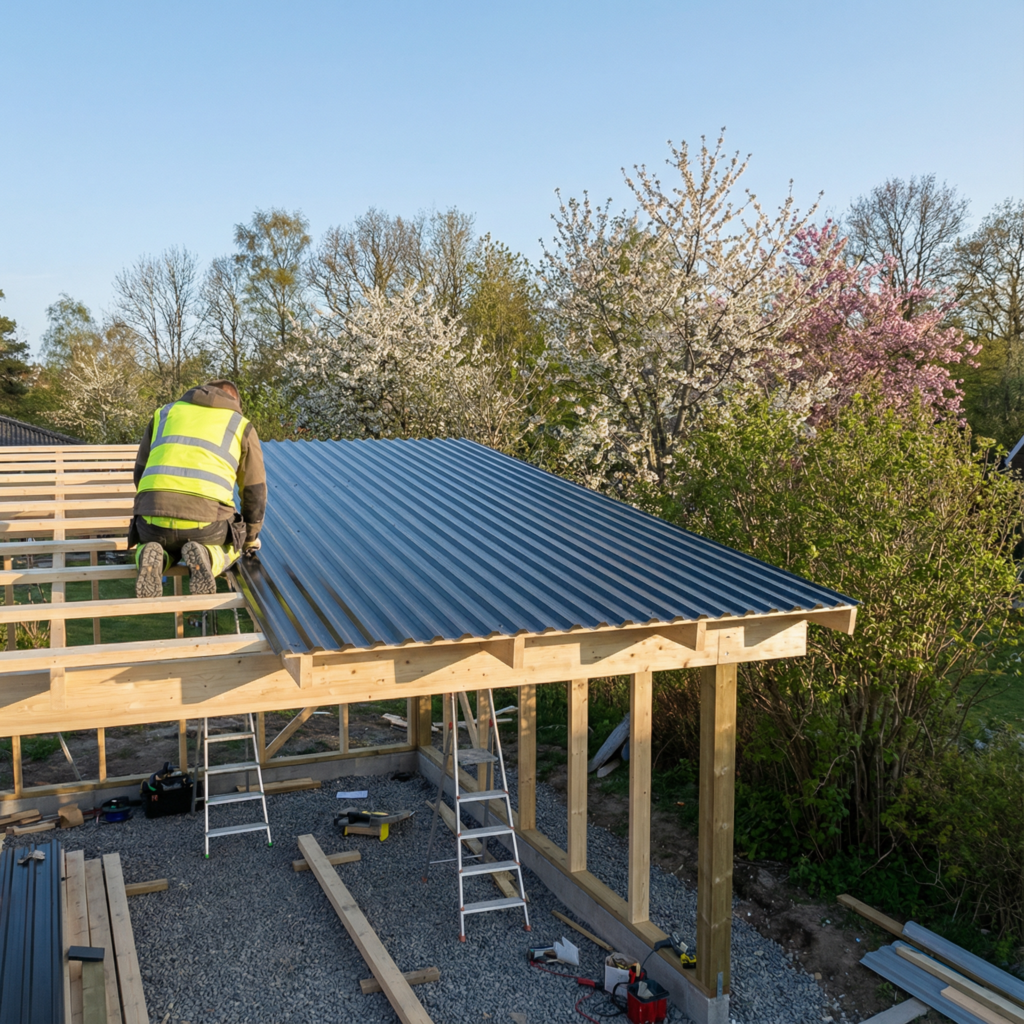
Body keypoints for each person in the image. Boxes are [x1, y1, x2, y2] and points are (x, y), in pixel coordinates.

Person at [130, 380, 266, 598]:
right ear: (234, 402)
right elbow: (254, 492)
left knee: (156, 543)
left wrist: (152, 506)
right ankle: (209, 557)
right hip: (207, 525)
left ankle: (150, 554)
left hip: (151, 521)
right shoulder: (240, 425)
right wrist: (250, 538)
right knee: (234, 545)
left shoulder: (164, 413)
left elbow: (140, 471)